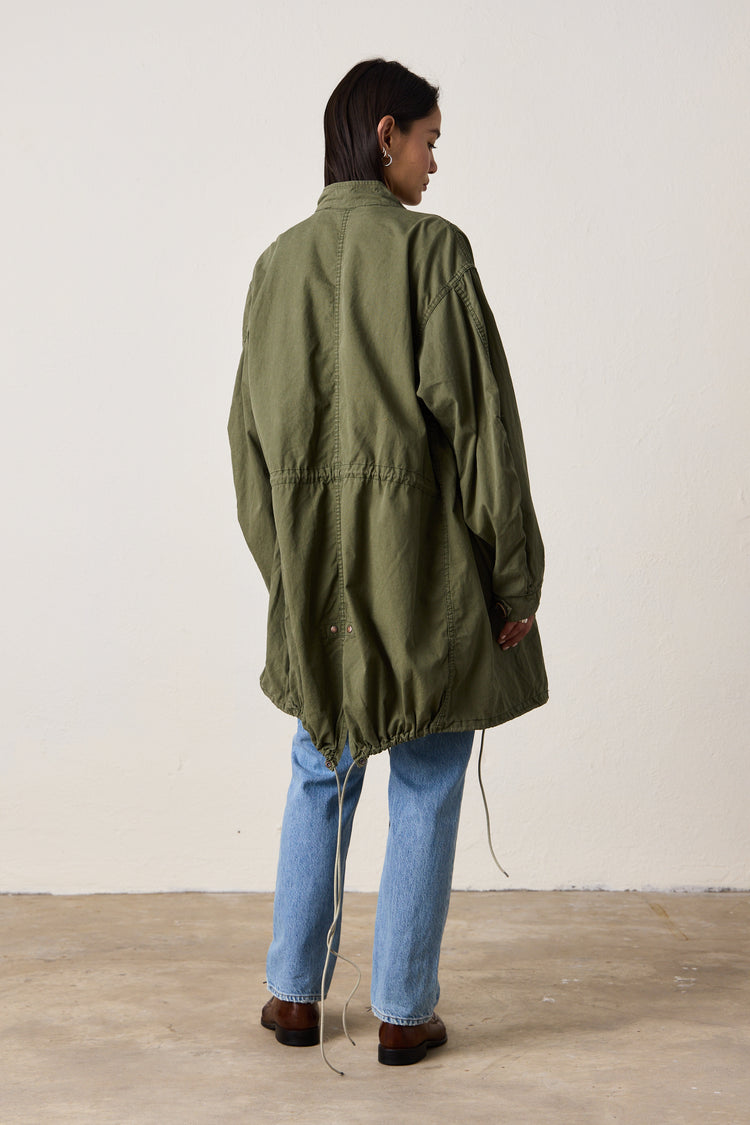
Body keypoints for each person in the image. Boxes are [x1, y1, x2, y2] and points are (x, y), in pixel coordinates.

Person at [228, 58, 548, 1070]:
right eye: (429, 139)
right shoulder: (432, 252)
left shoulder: (276, 265)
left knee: (320, 762)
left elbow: (246, 450)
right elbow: (483, 430)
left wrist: (288, 573)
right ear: (385, 136)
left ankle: (293, 994)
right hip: (425, 578)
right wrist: (514, 577)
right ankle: (404, 1010)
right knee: (430, 768)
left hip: (315, 585)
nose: (434, 163)